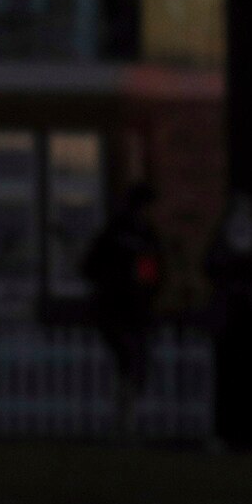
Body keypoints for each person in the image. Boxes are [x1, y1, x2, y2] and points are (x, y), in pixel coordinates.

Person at [204, 191, 252, 451]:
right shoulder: (223, 239)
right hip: (232, 320)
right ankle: (227, 433)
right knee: (229, 379)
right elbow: (211, 265)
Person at [82, 184, 165, 433]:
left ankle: (126, 418)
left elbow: (153, 273)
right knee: (129, 358)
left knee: (135, 363)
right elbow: (92, 267)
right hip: (116, 306)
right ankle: (123, 419)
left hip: (136, 308)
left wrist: (146, 286)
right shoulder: (118, 233)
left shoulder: (145, 235)